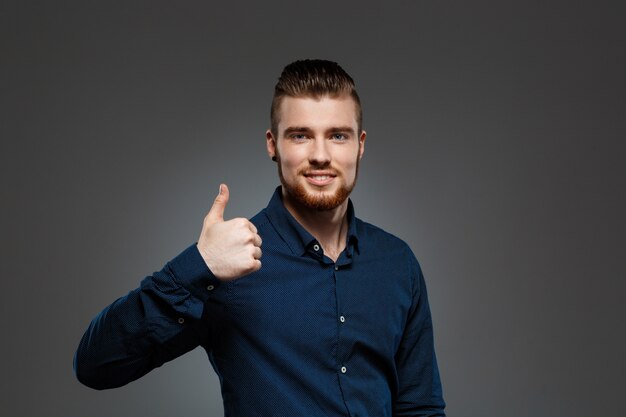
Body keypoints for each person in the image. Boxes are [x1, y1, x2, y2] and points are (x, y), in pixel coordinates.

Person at [74, 59, 446, 416]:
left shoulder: (397, 263)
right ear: (273, 144)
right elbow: (96, 366)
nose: (320, 155)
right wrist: (196, 267)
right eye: (300, 135)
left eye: (337, 136)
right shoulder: (226, 265)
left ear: (360, 145)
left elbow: (420, 408)